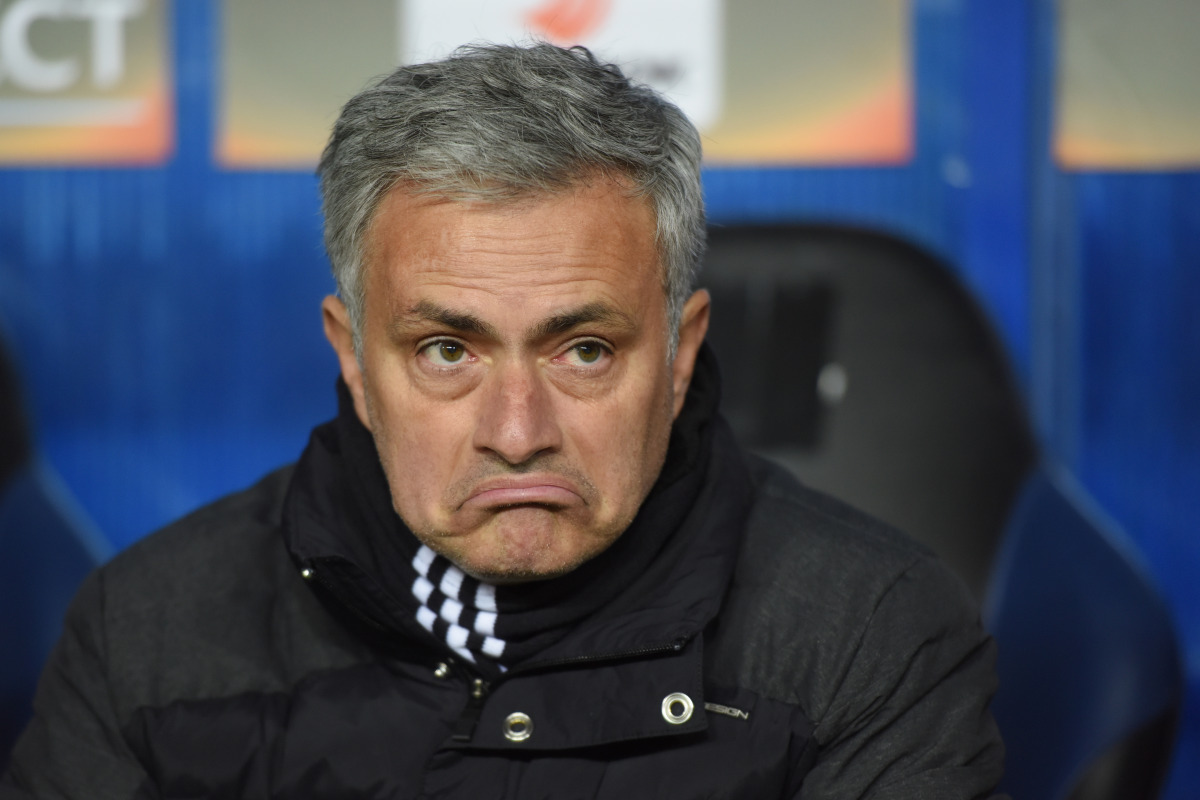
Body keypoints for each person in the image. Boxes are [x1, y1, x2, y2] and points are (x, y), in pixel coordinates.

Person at [2, 43, 1006, 798]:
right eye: (448, 350)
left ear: (681, 352)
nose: (518, 430)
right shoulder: (146, 634)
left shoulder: (871, 637)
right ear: (353, 358)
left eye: (585, 350)